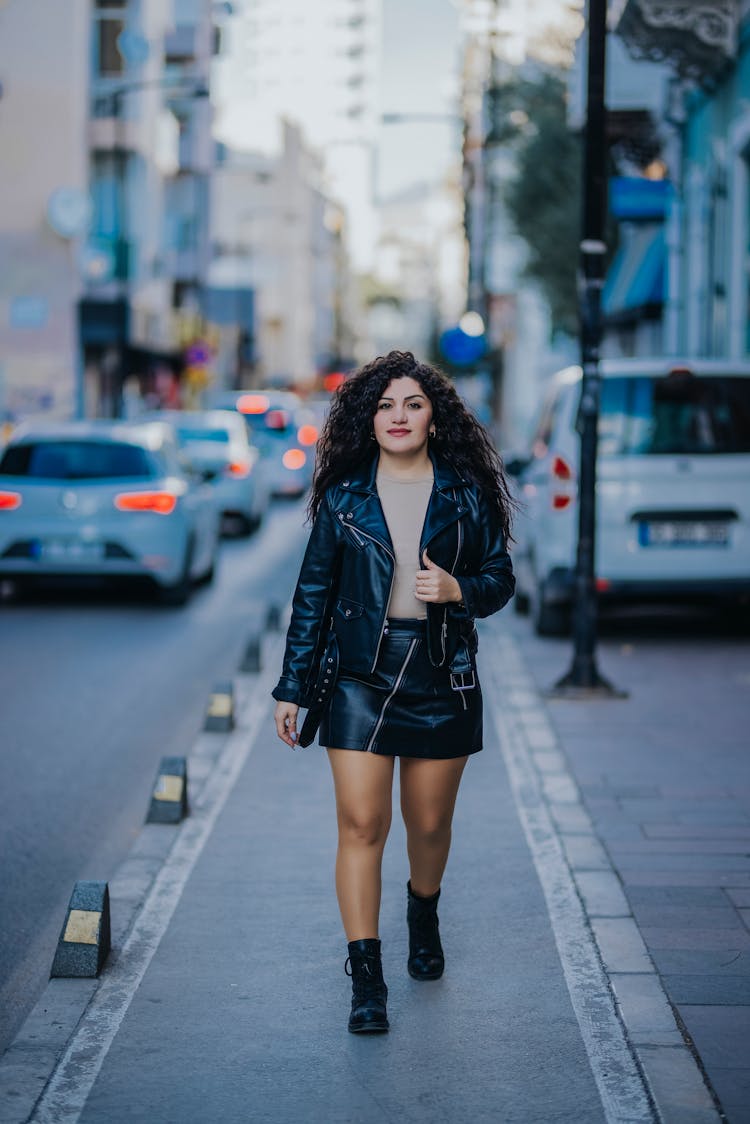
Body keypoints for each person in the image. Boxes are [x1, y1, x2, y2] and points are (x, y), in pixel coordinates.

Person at [272, 350, 515, 1034]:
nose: (398, 416)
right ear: (367, 420)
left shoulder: (465, 492)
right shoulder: (345, 498)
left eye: (412, 403)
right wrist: (291, 687)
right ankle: (367, 978)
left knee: (430, 826)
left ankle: (423, 910)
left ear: (434, 416)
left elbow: (501, 579)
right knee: (360, 825)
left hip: (441, 675)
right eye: (384, 406)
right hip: (358, 679)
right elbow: (311, 596)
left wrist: (461, 589)